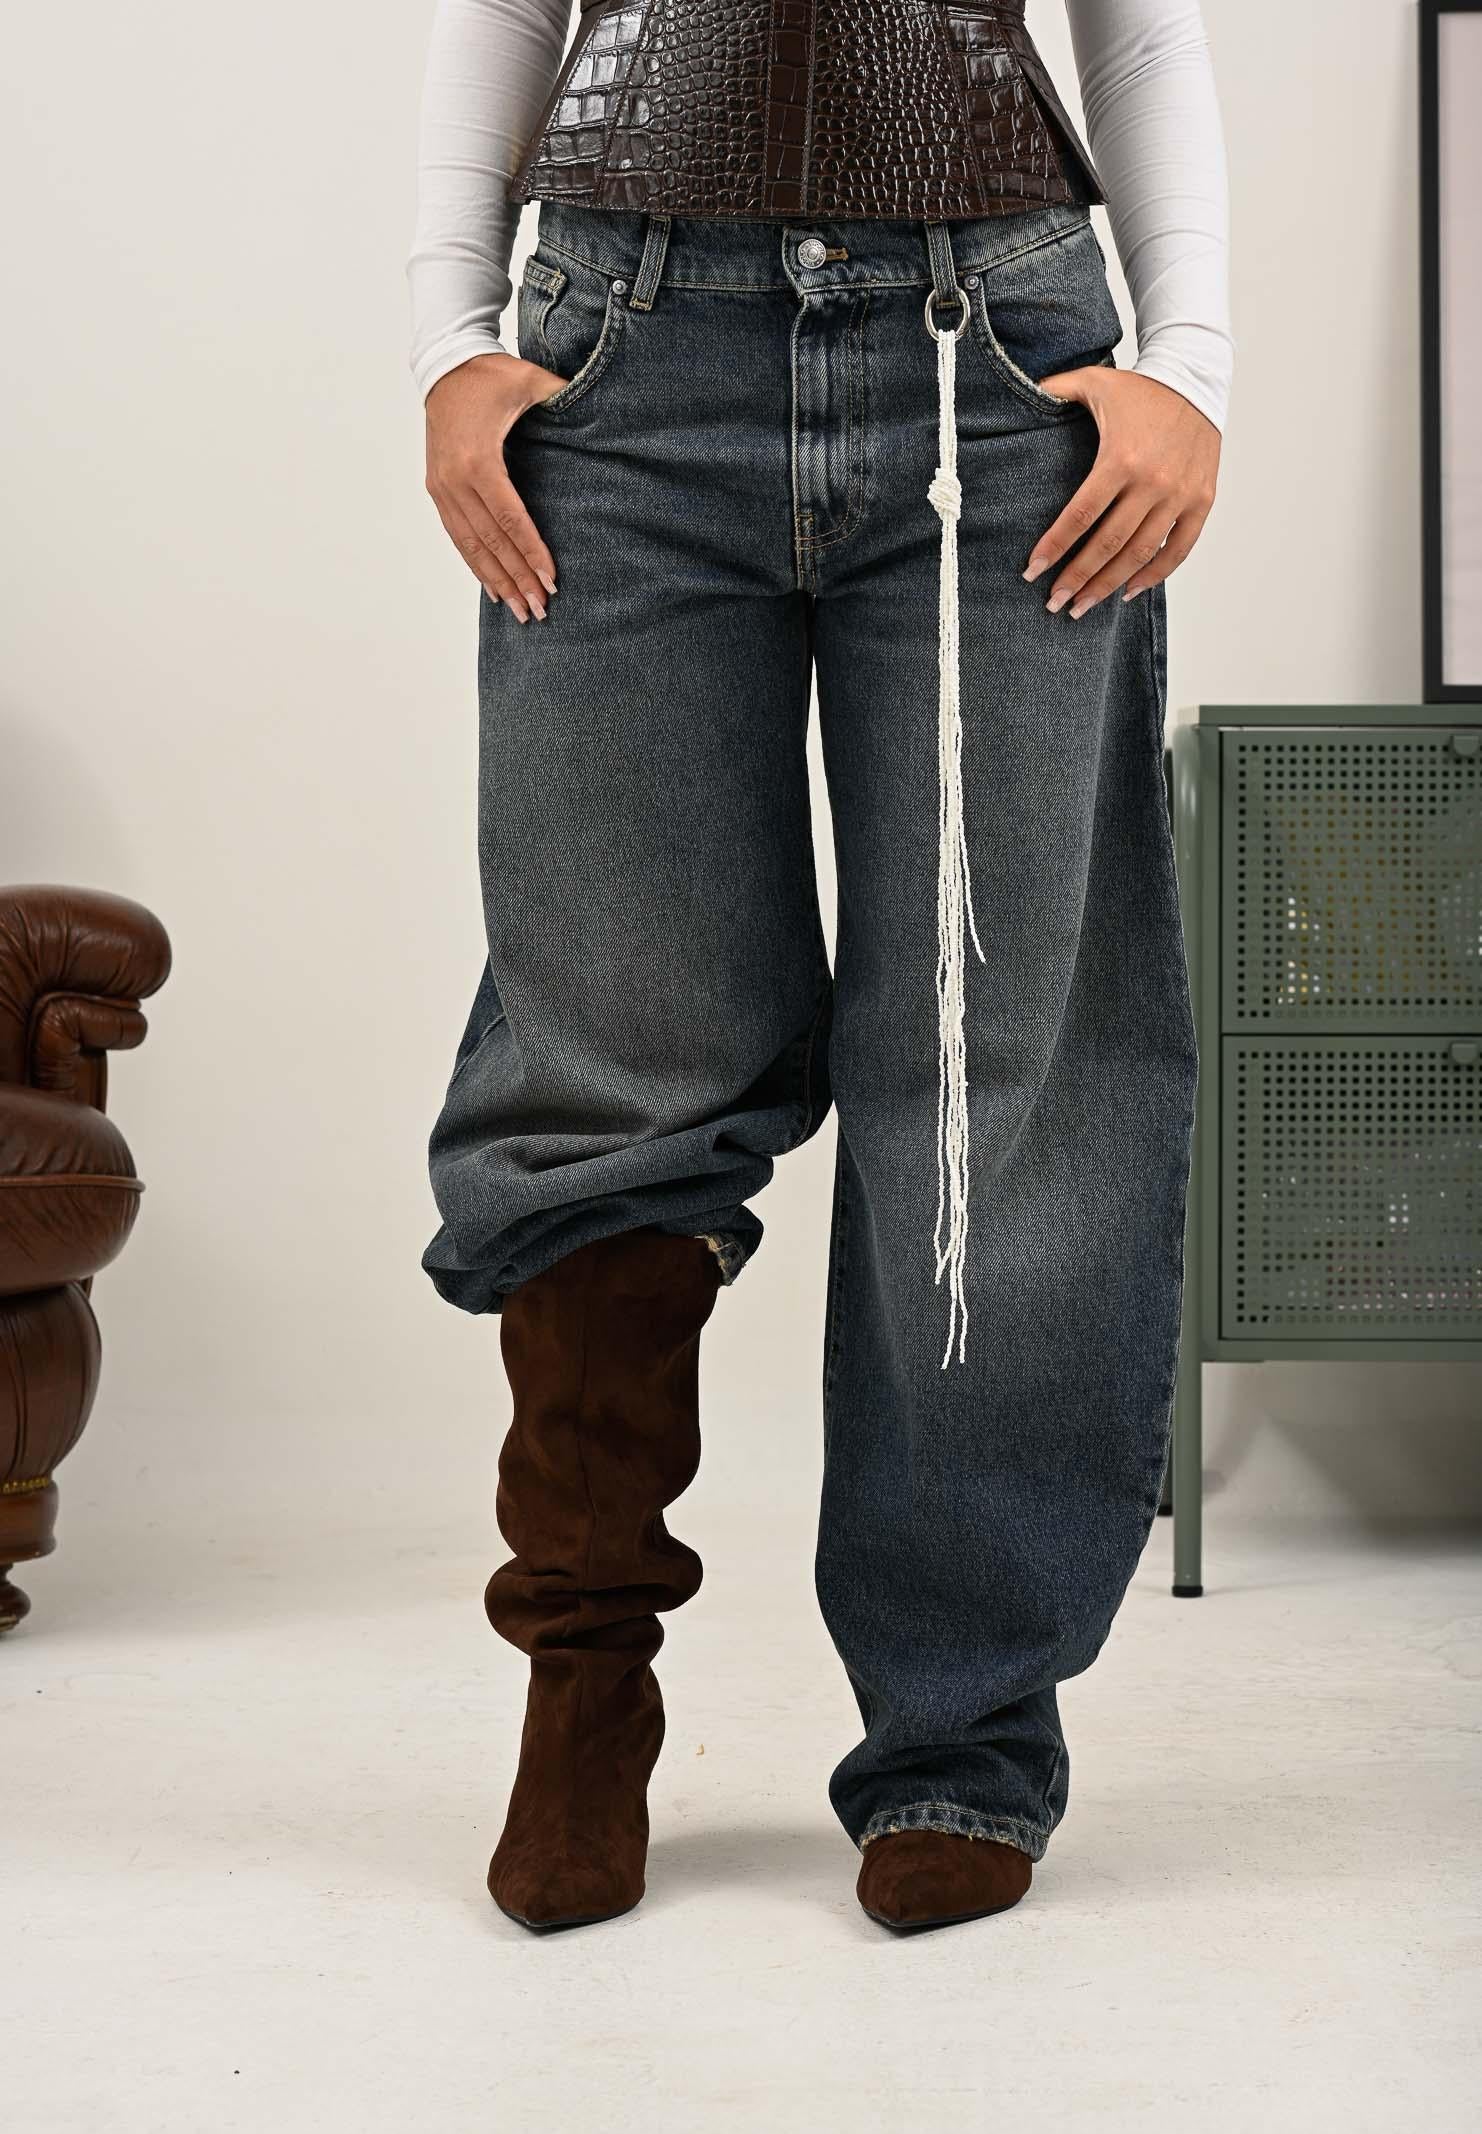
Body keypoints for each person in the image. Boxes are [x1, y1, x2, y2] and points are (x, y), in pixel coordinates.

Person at [408, 0, 1232, 1935]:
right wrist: (448, 340)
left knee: (994, 1061)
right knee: (610, 1044)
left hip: (1000, 361)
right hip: (617, 358)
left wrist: (1186, 367)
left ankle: (961, 1736)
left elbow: (1138, 30)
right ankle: (584, 1683)